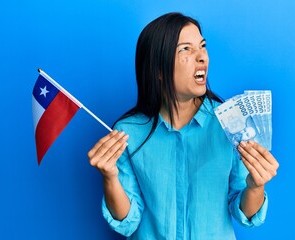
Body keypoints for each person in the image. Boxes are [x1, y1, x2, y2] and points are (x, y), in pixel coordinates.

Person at [88, 12, 279, 240]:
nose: (202, 57)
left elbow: (245, 214)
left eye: (202, 46)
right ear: (158, 69)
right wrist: (109, 177)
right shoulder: (127, 132)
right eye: (186, 49)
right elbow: (128, 221)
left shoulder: (231, 120)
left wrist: (256, 186)